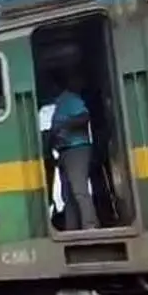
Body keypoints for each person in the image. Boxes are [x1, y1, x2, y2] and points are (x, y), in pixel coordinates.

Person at [49, 71, 98, 230]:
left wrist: (66, 126)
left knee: (79, 190)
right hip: (64, 151)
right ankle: (72, 228)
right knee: (68, 195)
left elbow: (84, 116)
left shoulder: (70, 99)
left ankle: (90, 226)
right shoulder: (59, 103)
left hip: (77, 149)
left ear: (56, 85)